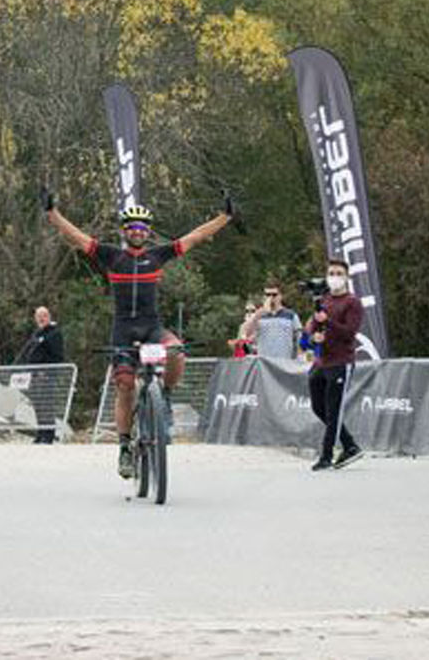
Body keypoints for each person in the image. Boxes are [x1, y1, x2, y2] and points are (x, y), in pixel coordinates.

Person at [42, 186, 233, 477]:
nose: (138, 231)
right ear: (124, 231)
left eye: (143, 228)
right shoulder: (111, 257)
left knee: (176, 350)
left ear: (148, 232)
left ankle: (165, 395)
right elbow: (77, 237)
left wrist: (225, 217)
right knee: (125, 386)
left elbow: (194, 237)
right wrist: (52, 213)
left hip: (152, 328)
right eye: (132, 227)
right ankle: (124, 447)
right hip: (123, 331)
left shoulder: (158, 256)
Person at [305, 259, 363, 471]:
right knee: (318, 406)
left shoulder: (352, 302)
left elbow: (349, 333)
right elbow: (311, 327)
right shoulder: (324, 300)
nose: (334, 276)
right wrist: (314, 339)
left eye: (339, 273)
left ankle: (326, 456)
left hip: (341, 362)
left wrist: (327, 321)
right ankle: (350, 445)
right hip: (322, 361)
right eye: (331, 272)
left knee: (333, 409)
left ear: (346, 277)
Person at [15, 306, 66, 444]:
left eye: (44, 315)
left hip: (47, 376)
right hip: (34, 375)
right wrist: (17, 367)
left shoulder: (54, 333)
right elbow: (26, 352)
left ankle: (49, 434)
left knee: (47, 405)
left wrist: (48, 372)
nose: (41, 318)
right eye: (38, 316)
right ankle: (41, 432)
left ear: (49, 317)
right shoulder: (37, 334)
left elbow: (58, 356)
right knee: (38, 405)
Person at [245, 283, 302, 360]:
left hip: (285, 363)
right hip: (265, 364)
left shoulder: (291, 315)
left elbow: (299, 340)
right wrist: (258, 315)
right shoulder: (259, 316)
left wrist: (298, 360)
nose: (271, 298)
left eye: (274, 295)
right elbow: (248, 334)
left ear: (280, 296)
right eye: (267, 295)